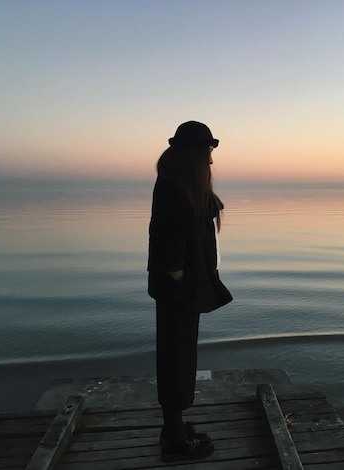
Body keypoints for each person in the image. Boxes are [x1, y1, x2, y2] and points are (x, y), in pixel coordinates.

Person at [147, 121, 232, 462]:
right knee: (175, 359)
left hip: (183, 289)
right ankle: (173, 440)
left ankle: (175, 426)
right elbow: (168, 247)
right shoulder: (172, 187)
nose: (211, 161)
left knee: (180, 358)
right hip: (177, 291)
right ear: (193, 155)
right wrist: (182, 280)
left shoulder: (181, 185)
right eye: (207, 152)